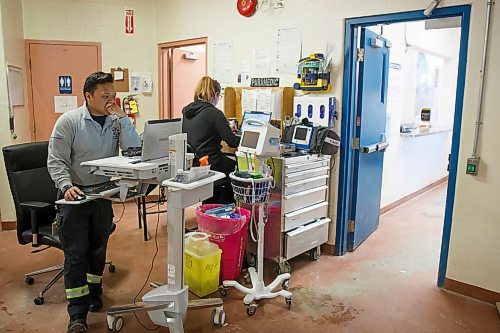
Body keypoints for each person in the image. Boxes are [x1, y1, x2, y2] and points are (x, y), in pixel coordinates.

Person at [47, 72, 141, 333]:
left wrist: (124, 119)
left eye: (113, 96)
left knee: (98, 250)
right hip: (74, 195)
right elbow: (56, 161)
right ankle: (77, 314)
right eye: (104, 96)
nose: (110, 100)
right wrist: (66, 186)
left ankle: (94, 292)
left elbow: (134, 151)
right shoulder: (69, 122)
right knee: (76, 255)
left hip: (102, 194)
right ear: (88, 96)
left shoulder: (115, 120)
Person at [182, 76, 240, 203]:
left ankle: (210, 208)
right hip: (212, 163)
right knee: (237, 168)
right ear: (215, 94)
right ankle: (226, 210)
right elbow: (232, 142)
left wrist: (223, 128)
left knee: (227, 161)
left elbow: (204, 131)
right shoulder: (214, 113)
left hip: (196, 163)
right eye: (220, 97)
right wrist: (251, 140)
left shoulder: (188, 112)